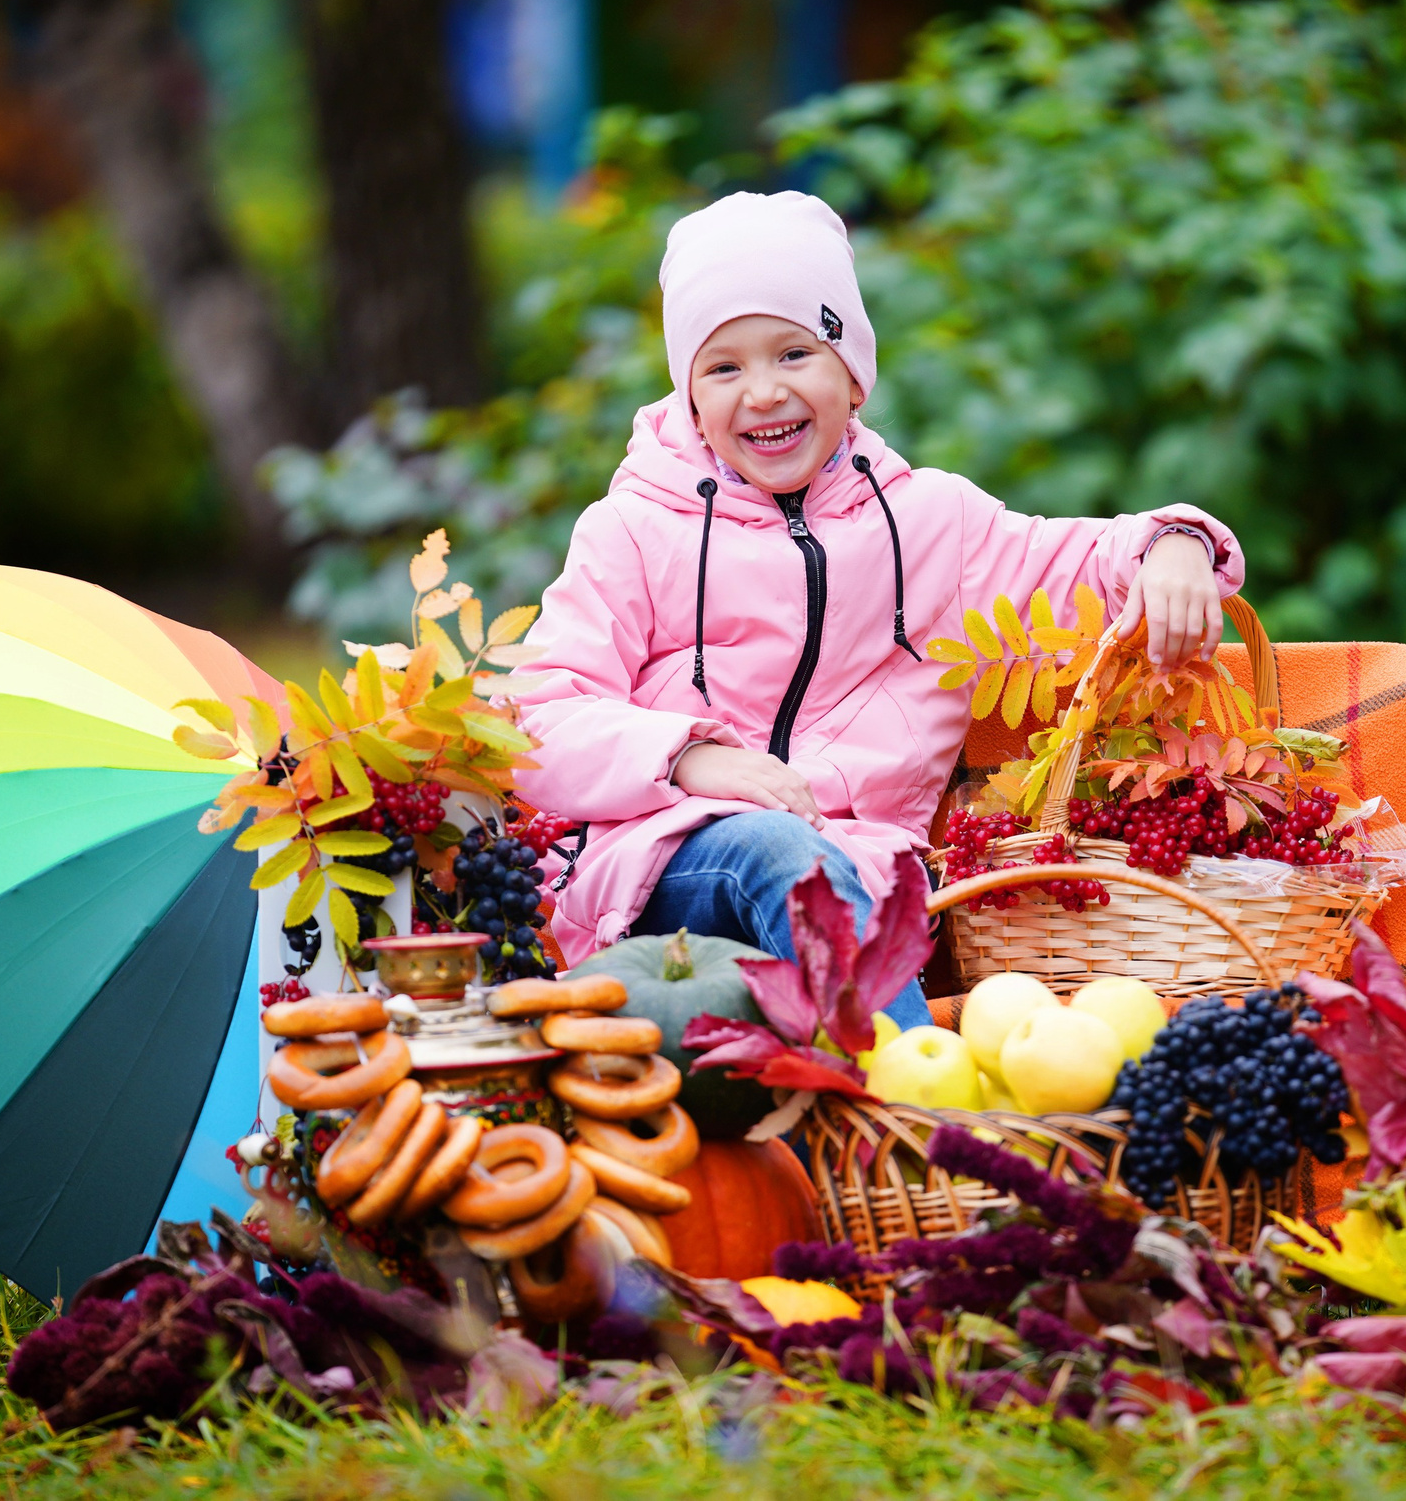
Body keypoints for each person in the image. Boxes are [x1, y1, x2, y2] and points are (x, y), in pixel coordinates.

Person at [518, 191, 1242, 1025]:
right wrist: (689, 760)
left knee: (816, 868)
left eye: (794, 353)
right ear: (689, 396)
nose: (761, 392)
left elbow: (1080, 561)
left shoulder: (935, 524)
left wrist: (1176, 544)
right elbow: (537, 718)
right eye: (723, 367)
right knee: (780, 854)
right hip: (662, 871)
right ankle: (914, 1115)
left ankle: (896, 1098)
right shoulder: (634, 531)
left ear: (852, 375)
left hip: (864, 890)